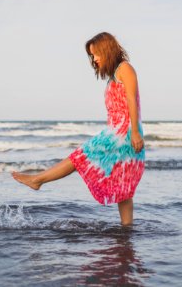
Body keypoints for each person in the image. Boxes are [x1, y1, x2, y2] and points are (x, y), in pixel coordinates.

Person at [12, 32, 145, 226]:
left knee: (81, 156)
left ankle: (38, 180)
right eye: (92, 55)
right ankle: (127, 228)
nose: (94, 58)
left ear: (107, 50)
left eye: (96, 53)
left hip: (122, 132)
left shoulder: (125, 68)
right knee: (122, 183)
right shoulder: (113, 76)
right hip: (117, 130)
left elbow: (132, 100)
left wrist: (133, 132)